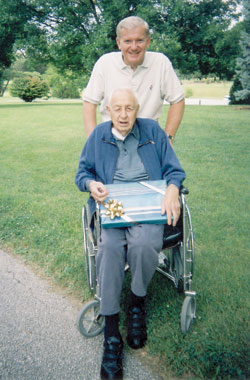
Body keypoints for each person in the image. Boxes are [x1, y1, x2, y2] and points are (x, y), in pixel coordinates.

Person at [75, 88, 186, 380]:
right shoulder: (98, 136)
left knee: (146, 243)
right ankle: (112, 333)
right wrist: (90, 185)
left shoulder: (152, 131)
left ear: (137, 110)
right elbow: (82, 174)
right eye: (117, 109)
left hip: (148, 206)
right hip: (112, 206)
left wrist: (173, 189)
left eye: (129, 108)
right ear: (108, 110)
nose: (123, 115)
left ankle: (136, 302)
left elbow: (175, 171)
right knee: (110, 249)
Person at [83, 16, 185, 143]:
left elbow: (178, 100)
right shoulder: (105, 63)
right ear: (119, 43)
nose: (134, 47)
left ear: (148, 42)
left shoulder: (161, 63)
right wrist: (93, 141)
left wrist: (168, 138)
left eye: (139, 40)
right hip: (112, 142)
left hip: (149, 142)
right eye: (127, 41)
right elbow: (89, 103)